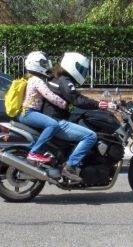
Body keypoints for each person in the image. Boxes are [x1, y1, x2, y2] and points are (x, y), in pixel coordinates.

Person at [41, 52, 108, 181]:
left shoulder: (57, 78)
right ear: (73, 66)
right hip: (56, 121)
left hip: (51, 119)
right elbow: (77, 99)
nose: (83, 72)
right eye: (81, 69)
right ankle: (70, 167)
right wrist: (98, 104)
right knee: (90, 136)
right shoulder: (64, 80)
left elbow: (73, 99)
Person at [19, 51, 68, 163]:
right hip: (29, 113)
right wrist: (65, 104)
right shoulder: (36, 80)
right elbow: (49, 95)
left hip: (28, 112)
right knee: (53, 124)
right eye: (43, 63)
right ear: (35, 64)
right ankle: (34, 152)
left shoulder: (32, 79)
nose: (46, 66)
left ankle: (35, 151)